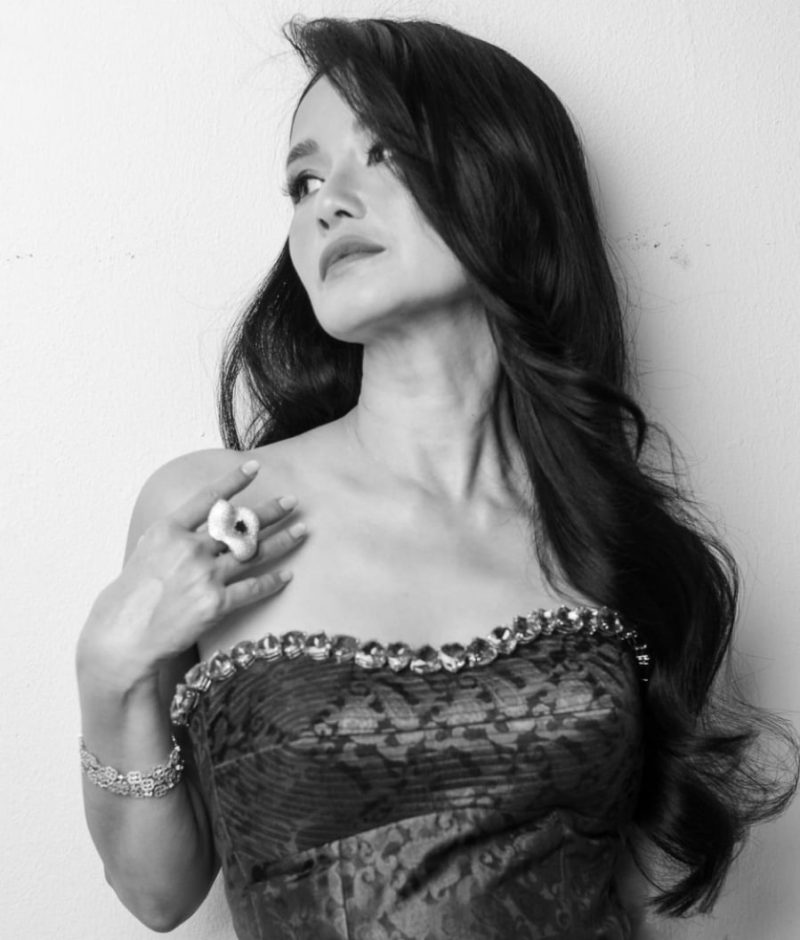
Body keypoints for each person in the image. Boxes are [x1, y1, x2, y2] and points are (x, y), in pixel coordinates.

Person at [75, 15, 799, 940]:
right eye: (303, 182)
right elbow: (158, 894)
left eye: (381, 154)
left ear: (504, 179)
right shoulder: (218, 509)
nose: (327, 205)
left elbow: (649, 894)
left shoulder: (611, 539)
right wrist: (110, 671)